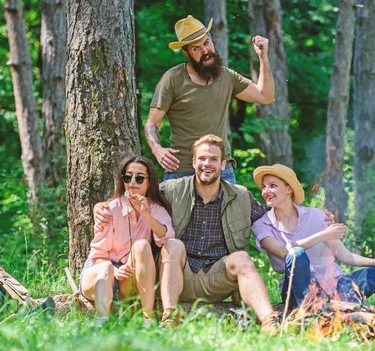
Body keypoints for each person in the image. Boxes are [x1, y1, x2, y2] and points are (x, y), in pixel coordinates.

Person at [95, 135, 283, 335]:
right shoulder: (172, 189)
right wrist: (100, 206)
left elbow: (272, 218)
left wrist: (309, 215)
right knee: (173, 245)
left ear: (223, 164)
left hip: (218, 278)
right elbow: (139, 192)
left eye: (213, 159)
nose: (206, 164)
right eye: (201, 158)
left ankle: (269, 321)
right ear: (194, 162)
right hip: (179, 275)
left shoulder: (241, 196)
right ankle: (169, 317)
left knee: (242, 258)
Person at [251, 163, 375, 329]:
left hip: (335, 287)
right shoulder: (262, 225)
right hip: (299, 293)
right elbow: (283, 251)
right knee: (296, 253)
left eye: (272, 185)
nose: (266, 191)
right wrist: (323, 235)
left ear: (289, 189)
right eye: (264, 187)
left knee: (373, 275)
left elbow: (345, 255)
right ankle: (316, 315)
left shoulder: (316, 215)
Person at [145, 15, 275, 184]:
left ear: (212, 41)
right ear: (186, 53)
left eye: (206, 43)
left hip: (221, 171)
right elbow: (151, 124)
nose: (205, 51)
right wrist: (157, 149)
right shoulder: (172, 79)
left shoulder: (227, 76)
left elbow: (266, 96)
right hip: (182, 172)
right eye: (196, 48)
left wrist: (263, 58)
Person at [80, 156, 174, 327]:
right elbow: (98, 256)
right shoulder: (109, 209)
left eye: (139, 178)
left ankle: (147, 320)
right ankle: (102, 323)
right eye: (127, 177)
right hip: (100, 272)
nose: (133, 182)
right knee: (107, 267)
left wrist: (145, 213)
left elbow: (167, 239)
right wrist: (115, 271)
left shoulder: (155, 209)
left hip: (129, 277)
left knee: (142, 245)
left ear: (149, 182)